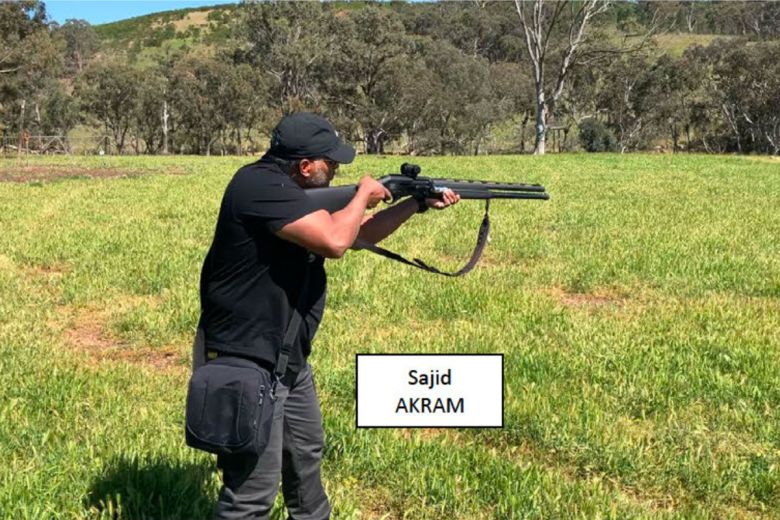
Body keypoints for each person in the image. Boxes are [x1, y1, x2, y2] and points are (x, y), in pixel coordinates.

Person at [195, 112, 459, 519]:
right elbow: (336, 241)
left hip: (287, 359)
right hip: (246, 361)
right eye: (330, 163)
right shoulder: (258, 186)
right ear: (304, 166)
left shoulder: (290, 194)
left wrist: (414, 204)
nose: (336, 169)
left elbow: (360, 234)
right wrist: (361, 196)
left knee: (306, 464)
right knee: (250, 497)